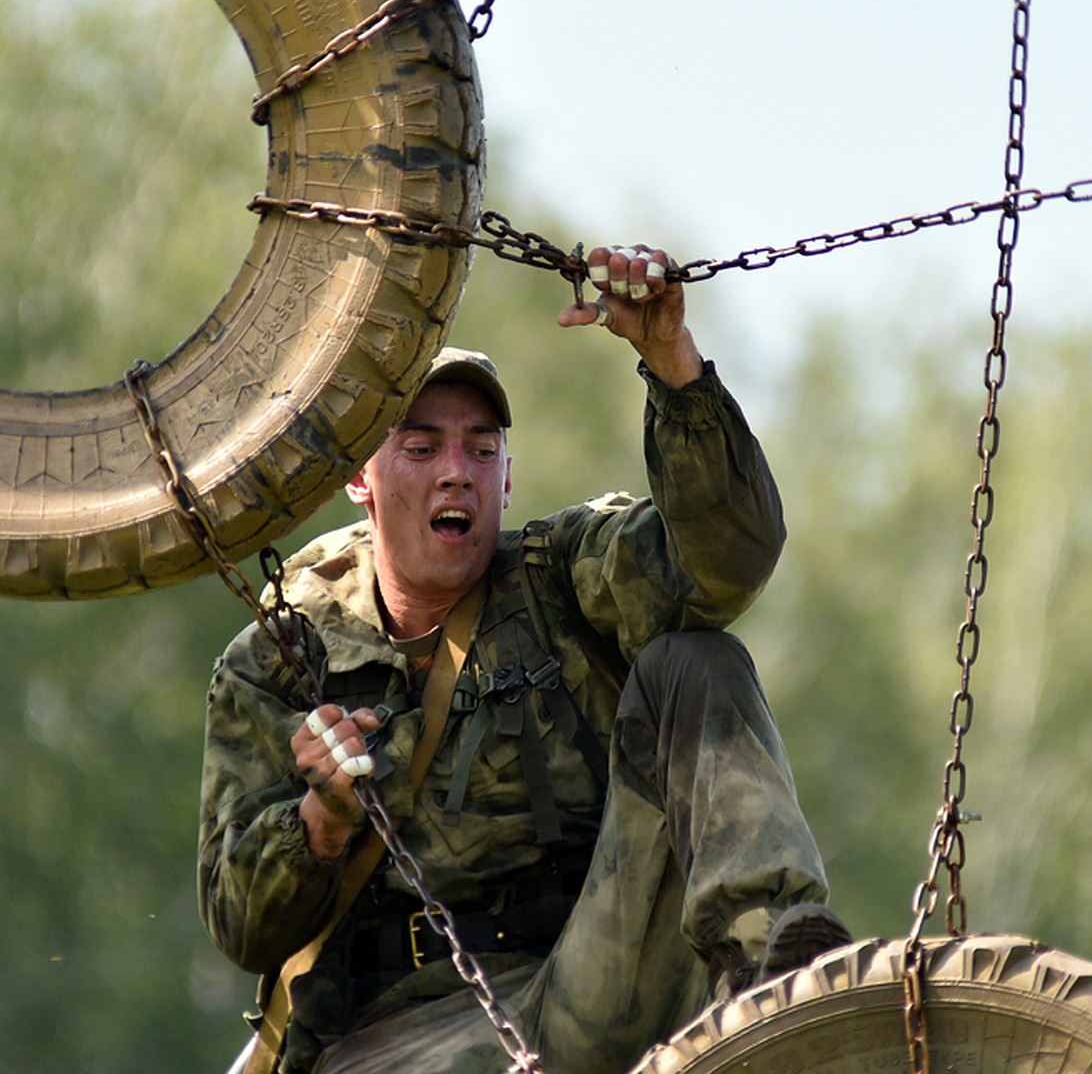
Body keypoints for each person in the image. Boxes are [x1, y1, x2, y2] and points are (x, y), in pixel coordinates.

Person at [199, 245, 850, 1074]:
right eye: (422, 446)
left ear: (506, 481)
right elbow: (237, 924)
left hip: (593, 977)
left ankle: (786, 981)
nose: (456, 474)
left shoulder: (564, 580)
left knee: (696, 658)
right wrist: (321, 822)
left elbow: (729, 560)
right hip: (398, 1031)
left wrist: (674, 365)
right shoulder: (281, 658)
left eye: (480, 449)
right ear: (362, 477)